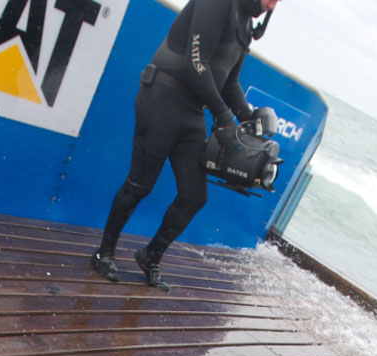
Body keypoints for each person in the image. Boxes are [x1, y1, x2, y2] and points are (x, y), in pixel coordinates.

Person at [89, 0, 280, 293]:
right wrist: (223, 116)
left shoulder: (244, 24)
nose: (271, 4)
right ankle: (104, 252)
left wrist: (247, 118)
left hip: (192, 110)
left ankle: (150, 255)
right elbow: (196, 62)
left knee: (194, 195)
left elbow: (229, 84)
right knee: (140, 184)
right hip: (163, 95)